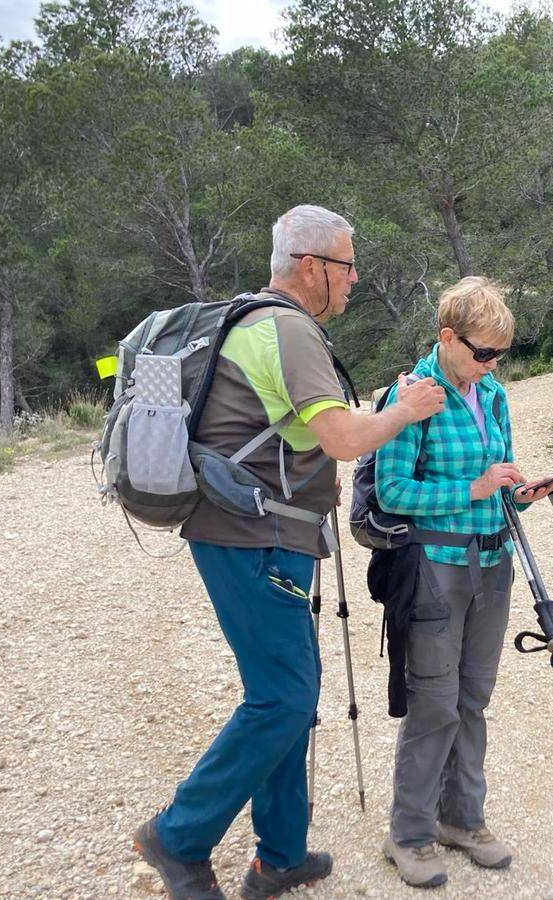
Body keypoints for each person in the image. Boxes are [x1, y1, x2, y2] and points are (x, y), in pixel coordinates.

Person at [132, 205, 445, 900]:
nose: (355, 279)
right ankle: (177, 837)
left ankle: (280, 856)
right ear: (312, 267)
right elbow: (340, 438)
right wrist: (406, 409)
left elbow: (302, 432)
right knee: (284, 697)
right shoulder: (289, 328)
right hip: (253, 537)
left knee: (287, 697)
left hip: (258, 532)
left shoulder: (257, 321)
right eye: (347, 265)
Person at [374, 277, 553, 889]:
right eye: (482, 353)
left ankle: (463, 818)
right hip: (433, 568)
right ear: (447, 337)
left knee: (472, 698)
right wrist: (472, 489)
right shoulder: (411, 397)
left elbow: (494, 486)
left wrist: (518, 493)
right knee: (433, 701)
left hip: (494, 563)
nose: (491, 364)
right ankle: (410, 832)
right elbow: (393, 492)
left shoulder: (495, 396)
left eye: (499, 354)